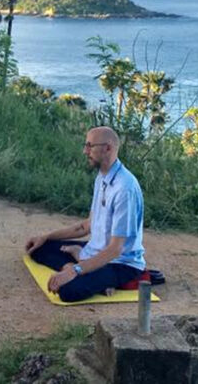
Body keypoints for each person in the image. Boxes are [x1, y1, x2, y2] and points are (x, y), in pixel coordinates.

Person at [24, 126, 145, 303]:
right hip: (95, 251)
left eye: (90, 146)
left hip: (119, 263)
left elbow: (115, 250)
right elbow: (86, 226)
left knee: (67, 291)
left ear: (108, 148)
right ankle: (78, 262)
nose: (85, 151)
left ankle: (87, 269)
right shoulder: (102, 177)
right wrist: (46, 237)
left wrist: (76, 271)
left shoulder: (125, 189)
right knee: (39, 248)